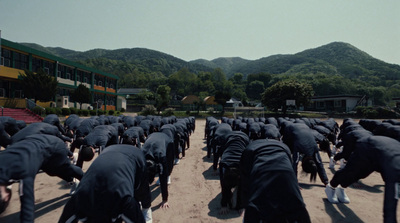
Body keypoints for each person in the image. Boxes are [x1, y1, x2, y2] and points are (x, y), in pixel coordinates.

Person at [0, 134, 84, 223]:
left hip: (53, 145)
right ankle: (73, 179)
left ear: (7, 197)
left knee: (58, 170)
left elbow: (27, 204)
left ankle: (84, 178)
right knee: (49, 170)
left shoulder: (23, 170)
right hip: (32, 142)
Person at [58, 144, 152, 223]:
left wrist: (145, 208)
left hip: (135, 155)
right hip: (107, 152)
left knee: (140, 189)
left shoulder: (124, 201)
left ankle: (147, 208)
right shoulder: (78, 199)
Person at [325, 134, 400, 223]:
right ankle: (331, 186)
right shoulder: (395, 170)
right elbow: (390, 207)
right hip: (368, 146)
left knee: (363, 174)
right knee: (353, 172)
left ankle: (341, 188)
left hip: (383, 152)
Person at [240, 139, 311, 222]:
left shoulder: (249, 149)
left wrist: (245, 203)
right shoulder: (284, 147)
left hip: (262, 173)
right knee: (296, 204)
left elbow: (245, 178)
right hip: (285, 173)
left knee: (256, 206)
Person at [218, 131, 249, 215]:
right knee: (226, 186)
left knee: (242, 184)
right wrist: (224, 205)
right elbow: (223, 185)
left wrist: (241, 206)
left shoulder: (244, 164)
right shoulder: (223, 164)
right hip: (228, 138)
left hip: (244, 138)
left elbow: (243, 186)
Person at [142, 132, 175, 209]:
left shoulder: (161, 157)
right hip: (151, 136)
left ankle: (169, 175)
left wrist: (165, 200)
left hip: (167, 140)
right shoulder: (141, 154)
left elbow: (163, 178)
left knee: (168, 167)